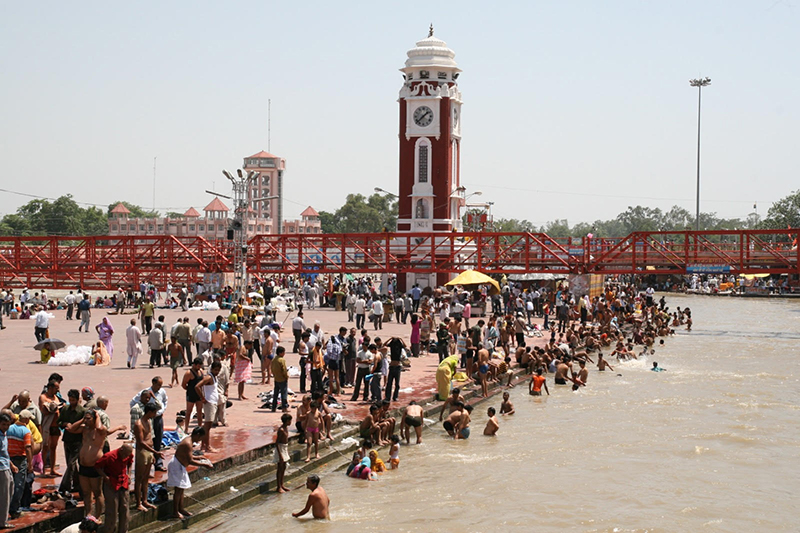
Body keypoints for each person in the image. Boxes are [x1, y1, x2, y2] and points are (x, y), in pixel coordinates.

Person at [167, 428, 212, 520]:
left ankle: (181, 509)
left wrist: (198, 457)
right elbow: (190, 461)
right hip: (176, 466)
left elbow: (188, 455)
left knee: (181, 489)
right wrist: (204, 464)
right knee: (178, 490)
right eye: (200, 438)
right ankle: (175, 512)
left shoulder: (189, 441)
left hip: (180, 466)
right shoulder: (187, 443)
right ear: (197, 434)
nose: (199, 441)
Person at [94, 443, 133, 533]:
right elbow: (97, 466)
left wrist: (129, 474)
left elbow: (130, 463)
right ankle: (109, 530)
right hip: (112, 483)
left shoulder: (128, 454)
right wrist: (105, 477)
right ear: (121, 450)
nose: (126, 457)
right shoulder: (109, 456)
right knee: (112, 509)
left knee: (125, 508)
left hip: (123, 482)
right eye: (125, 455)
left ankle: (123, 530)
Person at [133, 404, 161, 512]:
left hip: (149, 451)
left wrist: (152, 453)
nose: (155, 415)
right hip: (142, 452)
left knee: (146, 478)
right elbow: (141, 442)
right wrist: (155, 452)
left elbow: (149, 437)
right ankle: (138, 503)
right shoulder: (138, 424)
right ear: (150, 412)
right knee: (139, 478)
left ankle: (144, 500)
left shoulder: (149, 421)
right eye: (154, 412)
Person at [58, 390, 85, 494]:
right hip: (67, 439)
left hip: (78, 441)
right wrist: (65, 424)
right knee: (70, 465)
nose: (71, 402)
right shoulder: (65, 409)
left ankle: (65, 487)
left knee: (71, 464)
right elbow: (59, 422)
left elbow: (86, 425)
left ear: (78, 400)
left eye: (73, 400)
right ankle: (77, 484)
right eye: (70, 400)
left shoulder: (82, 411)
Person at [195, 361, 222, 454]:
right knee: (207, 426)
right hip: (209, 403)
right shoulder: (209, 377)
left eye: (218, 370)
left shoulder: (214, 377)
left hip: (213, 402)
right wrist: (202, 398)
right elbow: (197, 386)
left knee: (207, 426)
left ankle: (203, 445)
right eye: (215, 370)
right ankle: (208, 446)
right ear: (212, 369)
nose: (217, 372)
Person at [181, 358, 204, 434]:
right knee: (188, 412)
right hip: (191, 394)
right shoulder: (188, 373)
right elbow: (183, 384)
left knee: (199, 412)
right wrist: (189, 389)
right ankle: (186, 429)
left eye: (200, 366)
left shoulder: (201, 371)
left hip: (199, 394)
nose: (199, 367)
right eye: (198, 366)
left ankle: (200, 427)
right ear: (194, 365)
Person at [384, 336, 406, 402]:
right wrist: (390, 338)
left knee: (397, 384)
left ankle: (395, 397)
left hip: (397, 366)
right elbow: (384, 344)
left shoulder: (400, 346)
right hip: (392, 366)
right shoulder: (392, 346)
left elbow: (405, 346)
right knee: (389, 383)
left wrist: (401, 339)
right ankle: (388, 397)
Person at [275, 413, 292, 493]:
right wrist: (280, 455)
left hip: (285, 447)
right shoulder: (281, 430)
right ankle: (278, 486)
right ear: (287, 421)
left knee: (284, 467)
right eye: (290, 420)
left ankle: (282, 484)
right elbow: (277, 443)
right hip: (281, 448)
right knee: (280, 468)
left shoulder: (286, 428)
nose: (290, 422)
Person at [271, 346, 289, 412]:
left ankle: (273, 407)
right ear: (280, 353)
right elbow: (284, 370)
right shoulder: (282, 360)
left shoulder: (274, 359)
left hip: (276, 378)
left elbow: (272, 368)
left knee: (275, 394)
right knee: (284, 394)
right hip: (282, 379)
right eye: (284, 352)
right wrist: (286, 376)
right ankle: (284, 407)